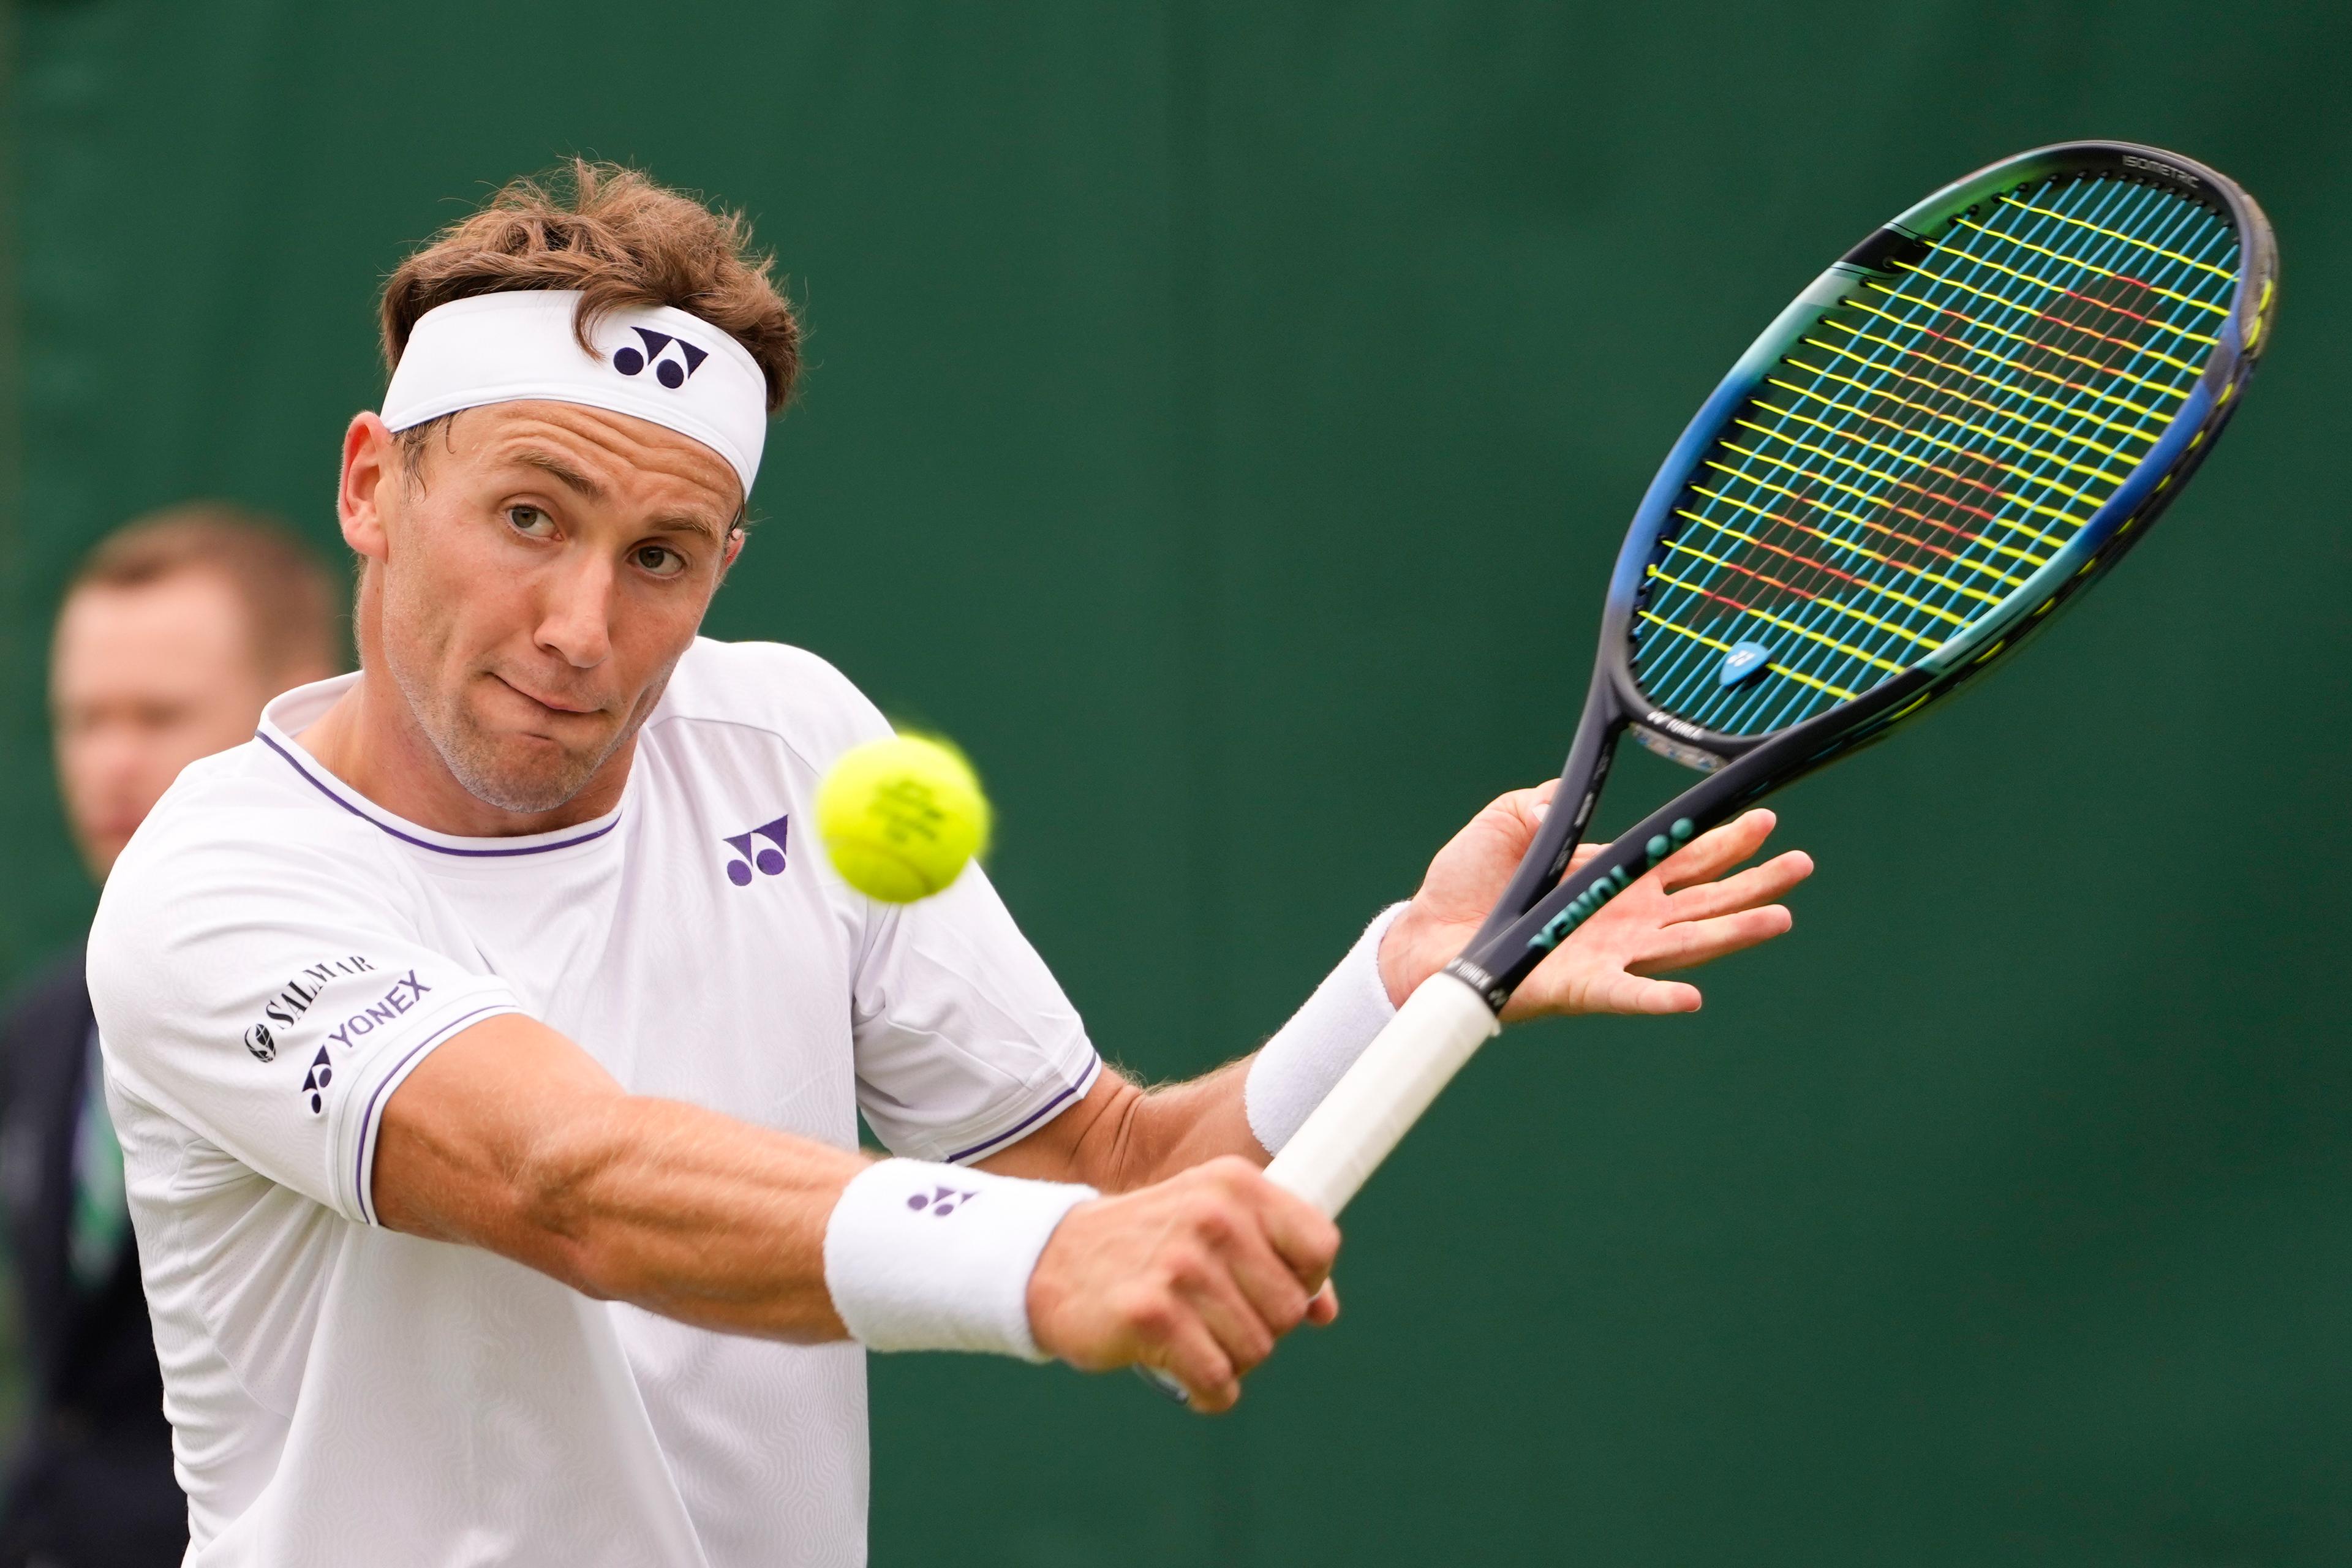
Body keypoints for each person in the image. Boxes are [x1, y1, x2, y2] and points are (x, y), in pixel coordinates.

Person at [85, 163, 1812, 1567]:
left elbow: (1113, 1166)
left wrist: (1403, 980)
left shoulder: (787, 743)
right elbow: (569, 1180)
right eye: (528, 517)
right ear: (375, 485)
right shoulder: (214, 889)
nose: (581, 627)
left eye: (663, 557)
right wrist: (1041, 1269)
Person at [0, 506, 340, 1566]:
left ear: (290, 714)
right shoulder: (52, 1021)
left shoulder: (380, 1005)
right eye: (84, 719)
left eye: (157, 714)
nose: (112, 761)